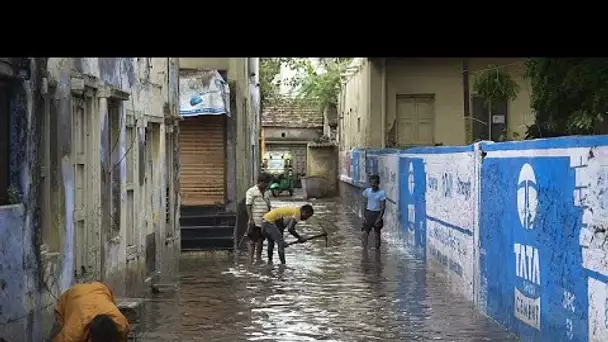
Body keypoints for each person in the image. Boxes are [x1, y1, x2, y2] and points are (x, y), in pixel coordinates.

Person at [48, 281, 130, 342]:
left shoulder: (121, 324)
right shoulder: (72, 332)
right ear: (90, 336)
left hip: (99, 289)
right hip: (73, 296)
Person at [245, 173, 272, 262]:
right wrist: (251, 219)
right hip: (255, 220)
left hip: (264, 221)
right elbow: (248, 205)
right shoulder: (251, 191)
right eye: (266, 183)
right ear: (261, 182)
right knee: (252, 241)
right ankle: (250, 259)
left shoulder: (267, 192)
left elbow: (268, 206)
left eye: (268, 183)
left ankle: (258, 259)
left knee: (261, 240)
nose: (267, 185)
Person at [362, 175, 386, 249]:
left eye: (375, 183)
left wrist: (379, 218)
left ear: (378, 183)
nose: (373, 185)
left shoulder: (382, 193)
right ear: (370, 183)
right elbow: (364, 203)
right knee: (364, 234)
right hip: (368, 214)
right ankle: (364, 251)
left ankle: (377, 252)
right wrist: (364, 215)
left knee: (377, 235)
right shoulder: (367, 191)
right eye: (372, 183)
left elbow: (383, 207)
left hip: (377, 214)